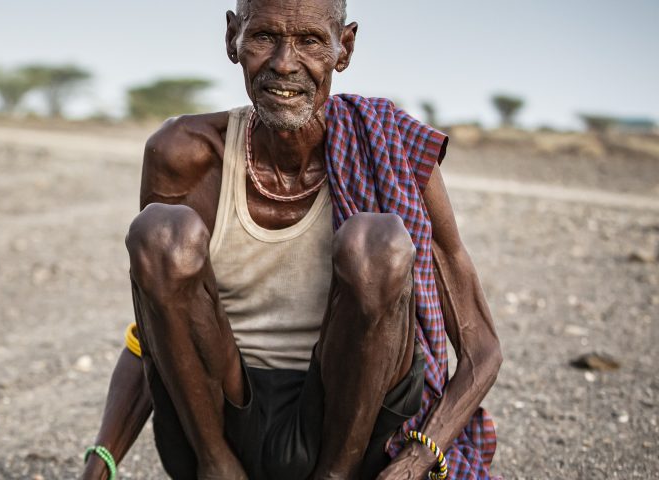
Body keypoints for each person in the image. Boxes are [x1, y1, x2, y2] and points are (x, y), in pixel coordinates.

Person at [80, 1, 501, 479]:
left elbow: (480, 346)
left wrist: (418, 458)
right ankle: (219, 468)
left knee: (377, 242)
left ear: (345, 48)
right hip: (218, 428)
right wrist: (102, 461)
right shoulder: (184, 153)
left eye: (311, 41)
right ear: (232, 38)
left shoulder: (394, 149)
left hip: (354, 430)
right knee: (161, 234)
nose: (284, 62)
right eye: (263, 37)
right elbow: (154, 327)